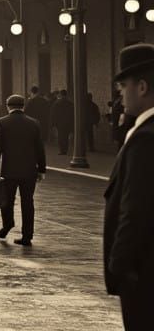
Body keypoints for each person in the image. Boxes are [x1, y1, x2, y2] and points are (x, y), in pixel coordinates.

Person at [104, 43, 154, 331]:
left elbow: (134, 209)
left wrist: (119, 265)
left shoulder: (145, 139)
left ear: (142, 87)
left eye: (124, 86)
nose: (120, 94)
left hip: (143, 271)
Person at [0, 94, 46, 247]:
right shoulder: (34, 123)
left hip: (9, 170)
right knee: (28, 202)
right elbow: (40, 148)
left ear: (8, 106)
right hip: (29, 170)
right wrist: (41, 169)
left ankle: (8, 225)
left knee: (7, 200)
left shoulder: (2, 123)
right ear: (23, 106)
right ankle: (27, 236)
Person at [50, 90, 74, 155]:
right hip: (68, 122)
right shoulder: (70, 103)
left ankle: (62, 150)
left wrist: (53, 124)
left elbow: (53, 114)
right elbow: (73, 114)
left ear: (60, 94)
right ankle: (66, 149)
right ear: (66, 95)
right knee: (66, 136)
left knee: (61, 136)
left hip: (60, 123)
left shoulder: (57, 103)